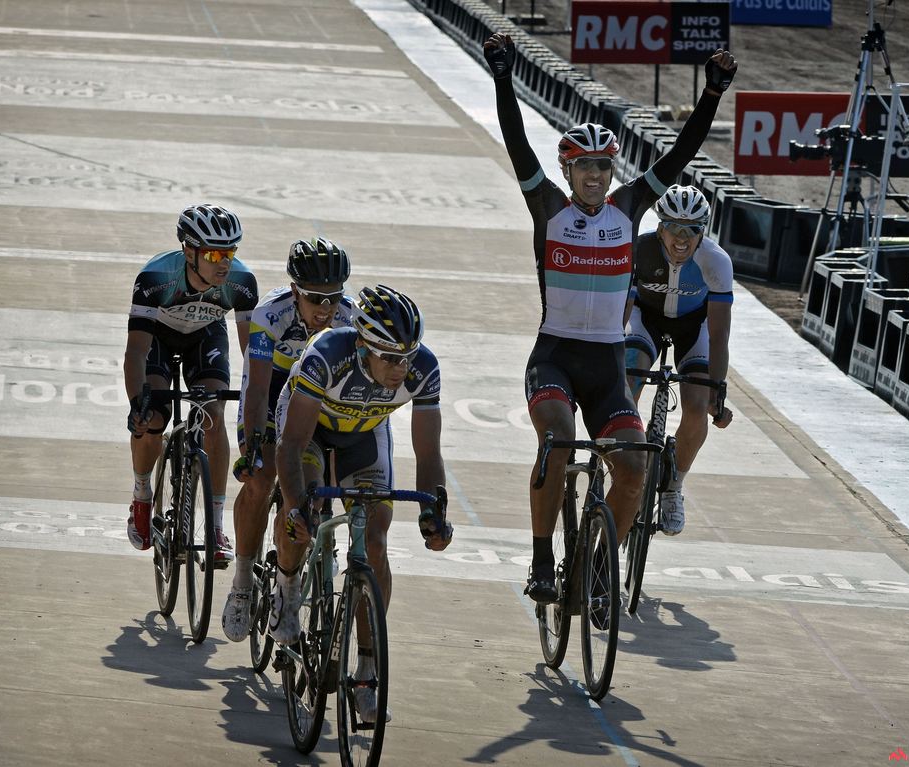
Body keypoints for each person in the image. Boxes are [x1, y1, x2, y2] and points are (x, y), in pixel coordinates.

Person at [482, 31, 737, 603]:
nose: (594, 174)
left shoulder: (629, 209)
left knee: (634, 469)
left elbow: (680, 155)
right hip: (554, 356)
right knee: (556, 438)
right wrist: (504, 76)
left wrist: (712, 96)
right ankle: (544, 559)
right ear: (567, 172)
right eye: (583, 166)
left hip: (604, 364)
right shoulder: (547, 208)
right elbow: (516, 140)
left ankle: (598, 565)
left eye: (603, 165)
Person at [273, 285, 453, 722]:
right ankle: (289, 588)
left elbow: (429, 454)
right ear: (362, 345)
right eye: (389, 358)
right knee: (307, 510)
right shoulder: (327, 355)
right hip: (311, 431)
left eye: (406, 357)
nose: (400, 369)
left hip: (365, 437)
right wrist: (298, 506)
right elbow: (293, 446)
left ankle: (368, 672)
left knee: (375, 541)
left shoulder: (422, 369)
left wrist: (434, 512)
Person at [220, 238, 354, 643]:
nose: (326, 309)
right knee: (261, 479)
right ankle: (243, 580)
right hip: (273, 386)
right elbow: (258, 388)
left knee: (317, 482)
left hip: (318, 397)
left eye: (333, 298)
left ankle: (290, 583)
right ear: (295, 290)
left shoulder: (350, 318)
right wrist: (253, 444)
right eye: (315, 298)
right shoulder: (270, 315)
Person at [124, 204, 258, 564]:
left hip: (205, 337)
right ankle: (141, 494)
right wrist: (138, 402)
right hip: (159, 339)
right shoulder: (155, 277)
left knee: (213, 415)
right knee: (153, 416)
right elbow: (136, 351)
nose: (223, 263)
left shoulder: (242, 283)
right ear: (189, 251)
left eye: (229, 253)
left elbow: (252, 356)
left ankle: (214, 525)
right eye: (214, 254)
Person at [625, 185, 735, 535]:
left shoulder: (716, 262)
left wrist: (718, 394)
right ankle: (627, 460)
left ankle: (674, 488)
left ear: (704, 231)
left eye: (692, 230)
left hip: (694, 329)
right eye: (674, 228)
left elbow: (718, 336)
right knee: (626, 386)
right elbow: (617, 320)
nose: (682, 239)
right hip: (647, 321)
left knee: (696, 404)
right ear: (660, 228)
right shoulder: (637, 251)